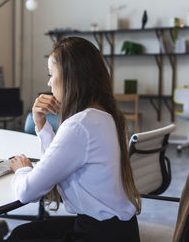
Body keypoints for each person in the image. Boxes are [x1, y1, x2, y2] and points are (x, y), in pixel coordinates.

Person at [7, 37, 141, 241]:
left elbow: (27, 192)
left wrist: (22, 169)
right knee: (23, 233)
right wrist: (41, 124)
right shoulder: (107, 115)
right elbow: (63, 160)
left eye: (52, 75)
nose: (49, 82)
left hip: (97, 234)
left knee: (20, 236)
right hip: (119, 230)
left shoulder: (80, 125)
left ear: (72, 78)